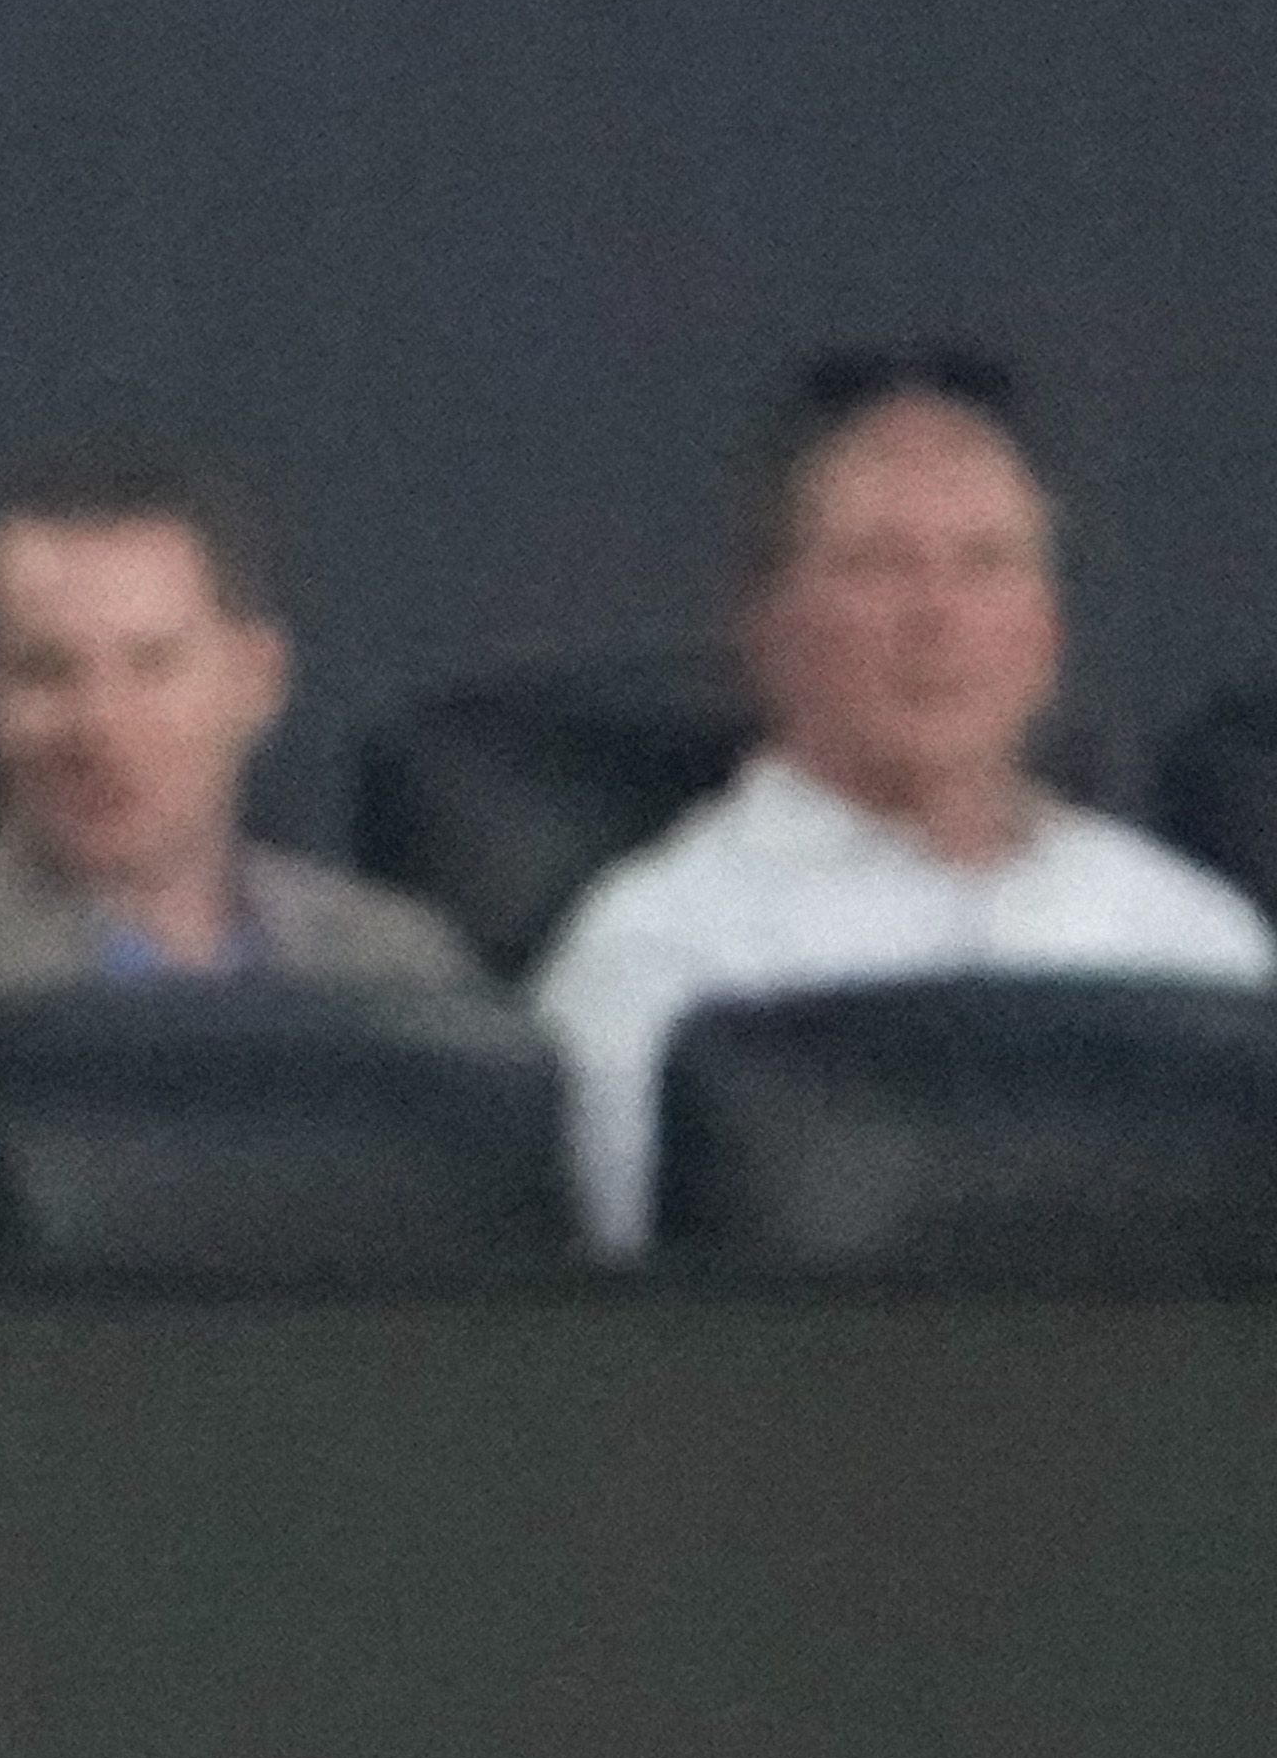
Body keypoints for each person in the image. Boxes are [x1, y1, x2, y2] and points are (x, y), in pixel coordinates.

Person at [527, 353, 1277, 1255]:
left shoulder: (1196, 947)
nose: (939, 617)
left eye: (986, 564)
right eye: (880, 565)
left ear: (1047, 629)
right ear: (768, 624)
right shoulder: (657, 961)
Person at [0, 463, 486, 1013]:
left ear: (256, 680)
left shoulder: (396, 975)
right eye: (45, 671)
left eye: (153, 666)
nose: (101, 725)